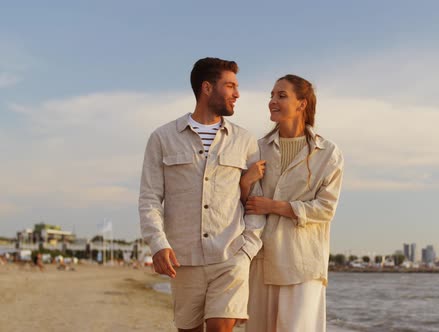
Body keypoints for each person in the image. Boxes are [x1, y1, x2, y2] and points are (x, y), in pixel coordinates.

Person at [139, 57, 265, 332]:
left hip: (231, 255)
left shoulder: (244, 140)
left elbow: (256, 199)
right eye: (230, 86)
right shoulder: (162, 138)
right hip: (183, 259)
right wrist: (158, 244)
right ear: (207, 88)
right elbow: (149, 198)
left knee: (221, 328)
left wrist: (248, 249)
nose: (237, 94)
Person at [241, 74, 344, 332]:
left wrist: (274, 206)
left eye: (281, 95)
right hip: (262, 259)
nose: (272, 101)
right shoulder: (257, 150)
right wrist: (245, 182)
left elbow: (325, 209)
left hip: (303, 262)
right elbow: (247, 205)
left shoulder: (328, 154)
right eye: (272, 95)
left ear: (302, 104)